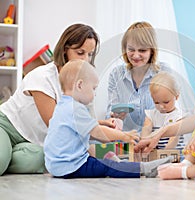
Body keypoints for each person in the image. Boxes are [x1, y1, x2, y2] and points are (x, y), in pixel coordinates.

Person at [0, 23, 113, 176]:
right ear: (65, 50)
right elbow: (58, 123)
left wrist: (100, 124)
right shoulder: (42, 76)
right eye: (80, 52)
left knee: (38, 158)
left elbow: (80, 121)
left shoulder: (83, 83)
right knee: (1, 159)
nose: (86, 59)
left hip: (31, 140)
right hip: (7, 126)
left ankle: (7, 155)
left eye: (90, 54)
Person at [44, 59, 173, 178]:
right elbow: (97, 131)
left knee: (103, 157)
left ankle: (116, 160)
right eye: (93, 88)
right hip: (71, 166)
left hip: (56, 165)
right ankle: (145, 169)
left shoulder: (63, 106)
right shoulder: (75, 108)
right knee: (108, 167)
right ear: (80, 85)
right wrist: (123, 136)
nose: (94, 94)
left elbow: (90, 132)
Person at [106, 21, 172, 132]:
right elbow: (109, 116)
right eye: (131, 49)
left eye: (142, 50)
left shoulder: (163, 72)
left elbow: (173, 113)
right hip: (126, 140)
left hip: (156, 140)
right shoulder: (116, 74)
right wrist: (115, 118)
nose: (136, 55)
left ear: (152, 51)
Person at [141, 72, 185, 152]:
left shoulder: (179, 116)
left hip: (175, 153)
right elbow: (146, 131)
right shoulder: (151, 115)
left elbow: (174, 139)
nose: (161, 106)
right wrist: (145, 145)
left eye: (166, 102)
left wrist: (165, 152)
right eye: (157, 102)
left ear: (176, 96)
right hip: (157, 154)